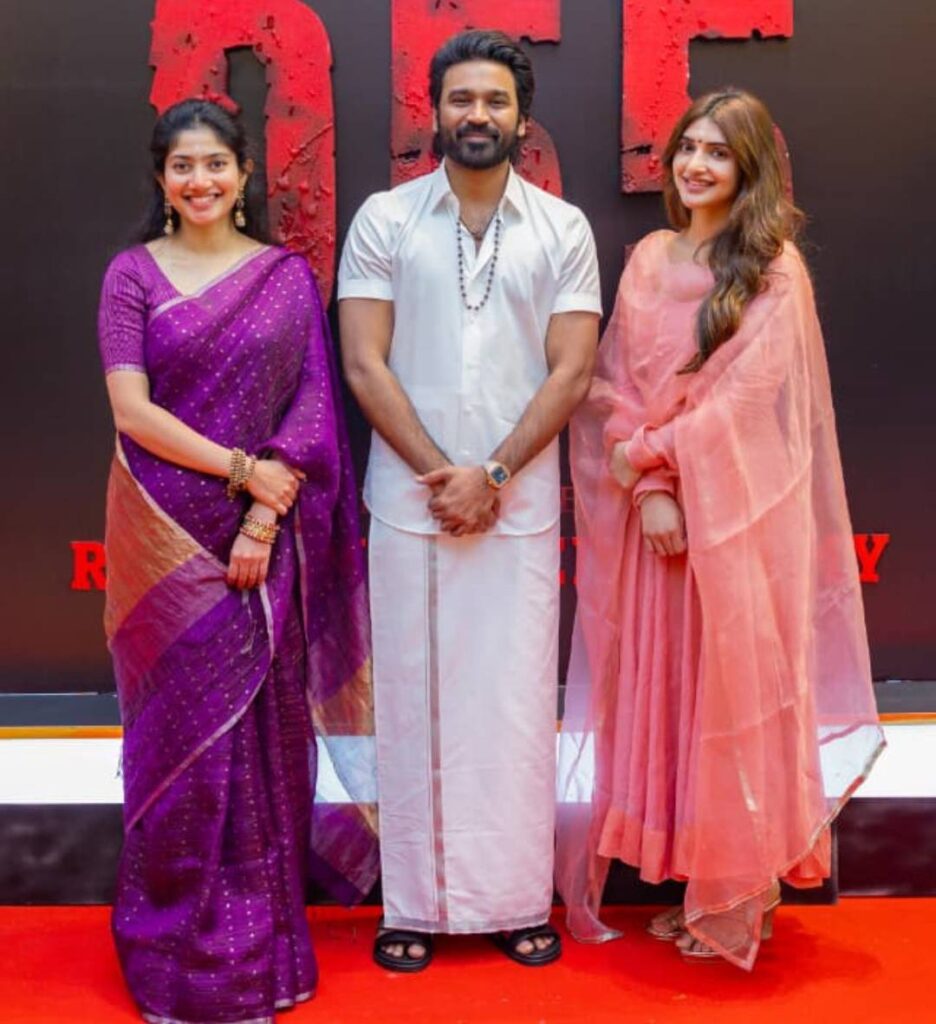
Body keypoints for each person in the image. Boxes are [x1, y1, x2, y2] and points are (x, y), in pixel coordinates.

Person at [556, 89, 884, 969]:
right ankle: (698, 882)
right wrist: (649, 488)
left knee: (735, 690)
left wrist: (647, 464)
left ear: (749, 170)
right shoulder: (649, 257)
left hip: (739, 513)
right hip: (658, 519)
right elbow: (613, 384)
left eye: (718, 153)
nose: (697, 165)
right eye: (688, 148)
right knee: (671, 690)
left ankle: (743, 893)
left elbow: (742, 399)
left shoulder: (774, 268)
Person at [98, 98, 376, 1023]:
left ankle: (261, 951)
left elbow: (313, 407)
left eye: (216, 163)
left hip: (263, 538)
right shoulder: (132, 275)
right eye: (182, 166)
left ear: (245, 174)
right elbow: (131, 410)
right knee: (175, 744)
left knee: (261, 741)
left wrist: (261, 511)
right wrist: (240, 469)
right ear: (161, 178)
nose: (200, 180)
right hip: (163, 540)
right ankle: (171, 947)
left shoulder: (284, 279)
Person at [338, 30, 601, 970]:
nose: (476, 115)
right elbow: (364, 363)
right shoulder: (385, 219)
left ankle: (517, 901)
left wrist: (489, 477)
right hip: (409, 505)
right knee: (412, 704)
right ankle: (411, 905)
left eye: (494, 100)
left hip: (516, 510)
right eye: (461, 99)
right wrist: (441, 474)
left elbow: (572, 372)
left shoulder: (563, 229)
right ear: (435, 111)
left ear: (522, 119)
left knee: (513, 707)